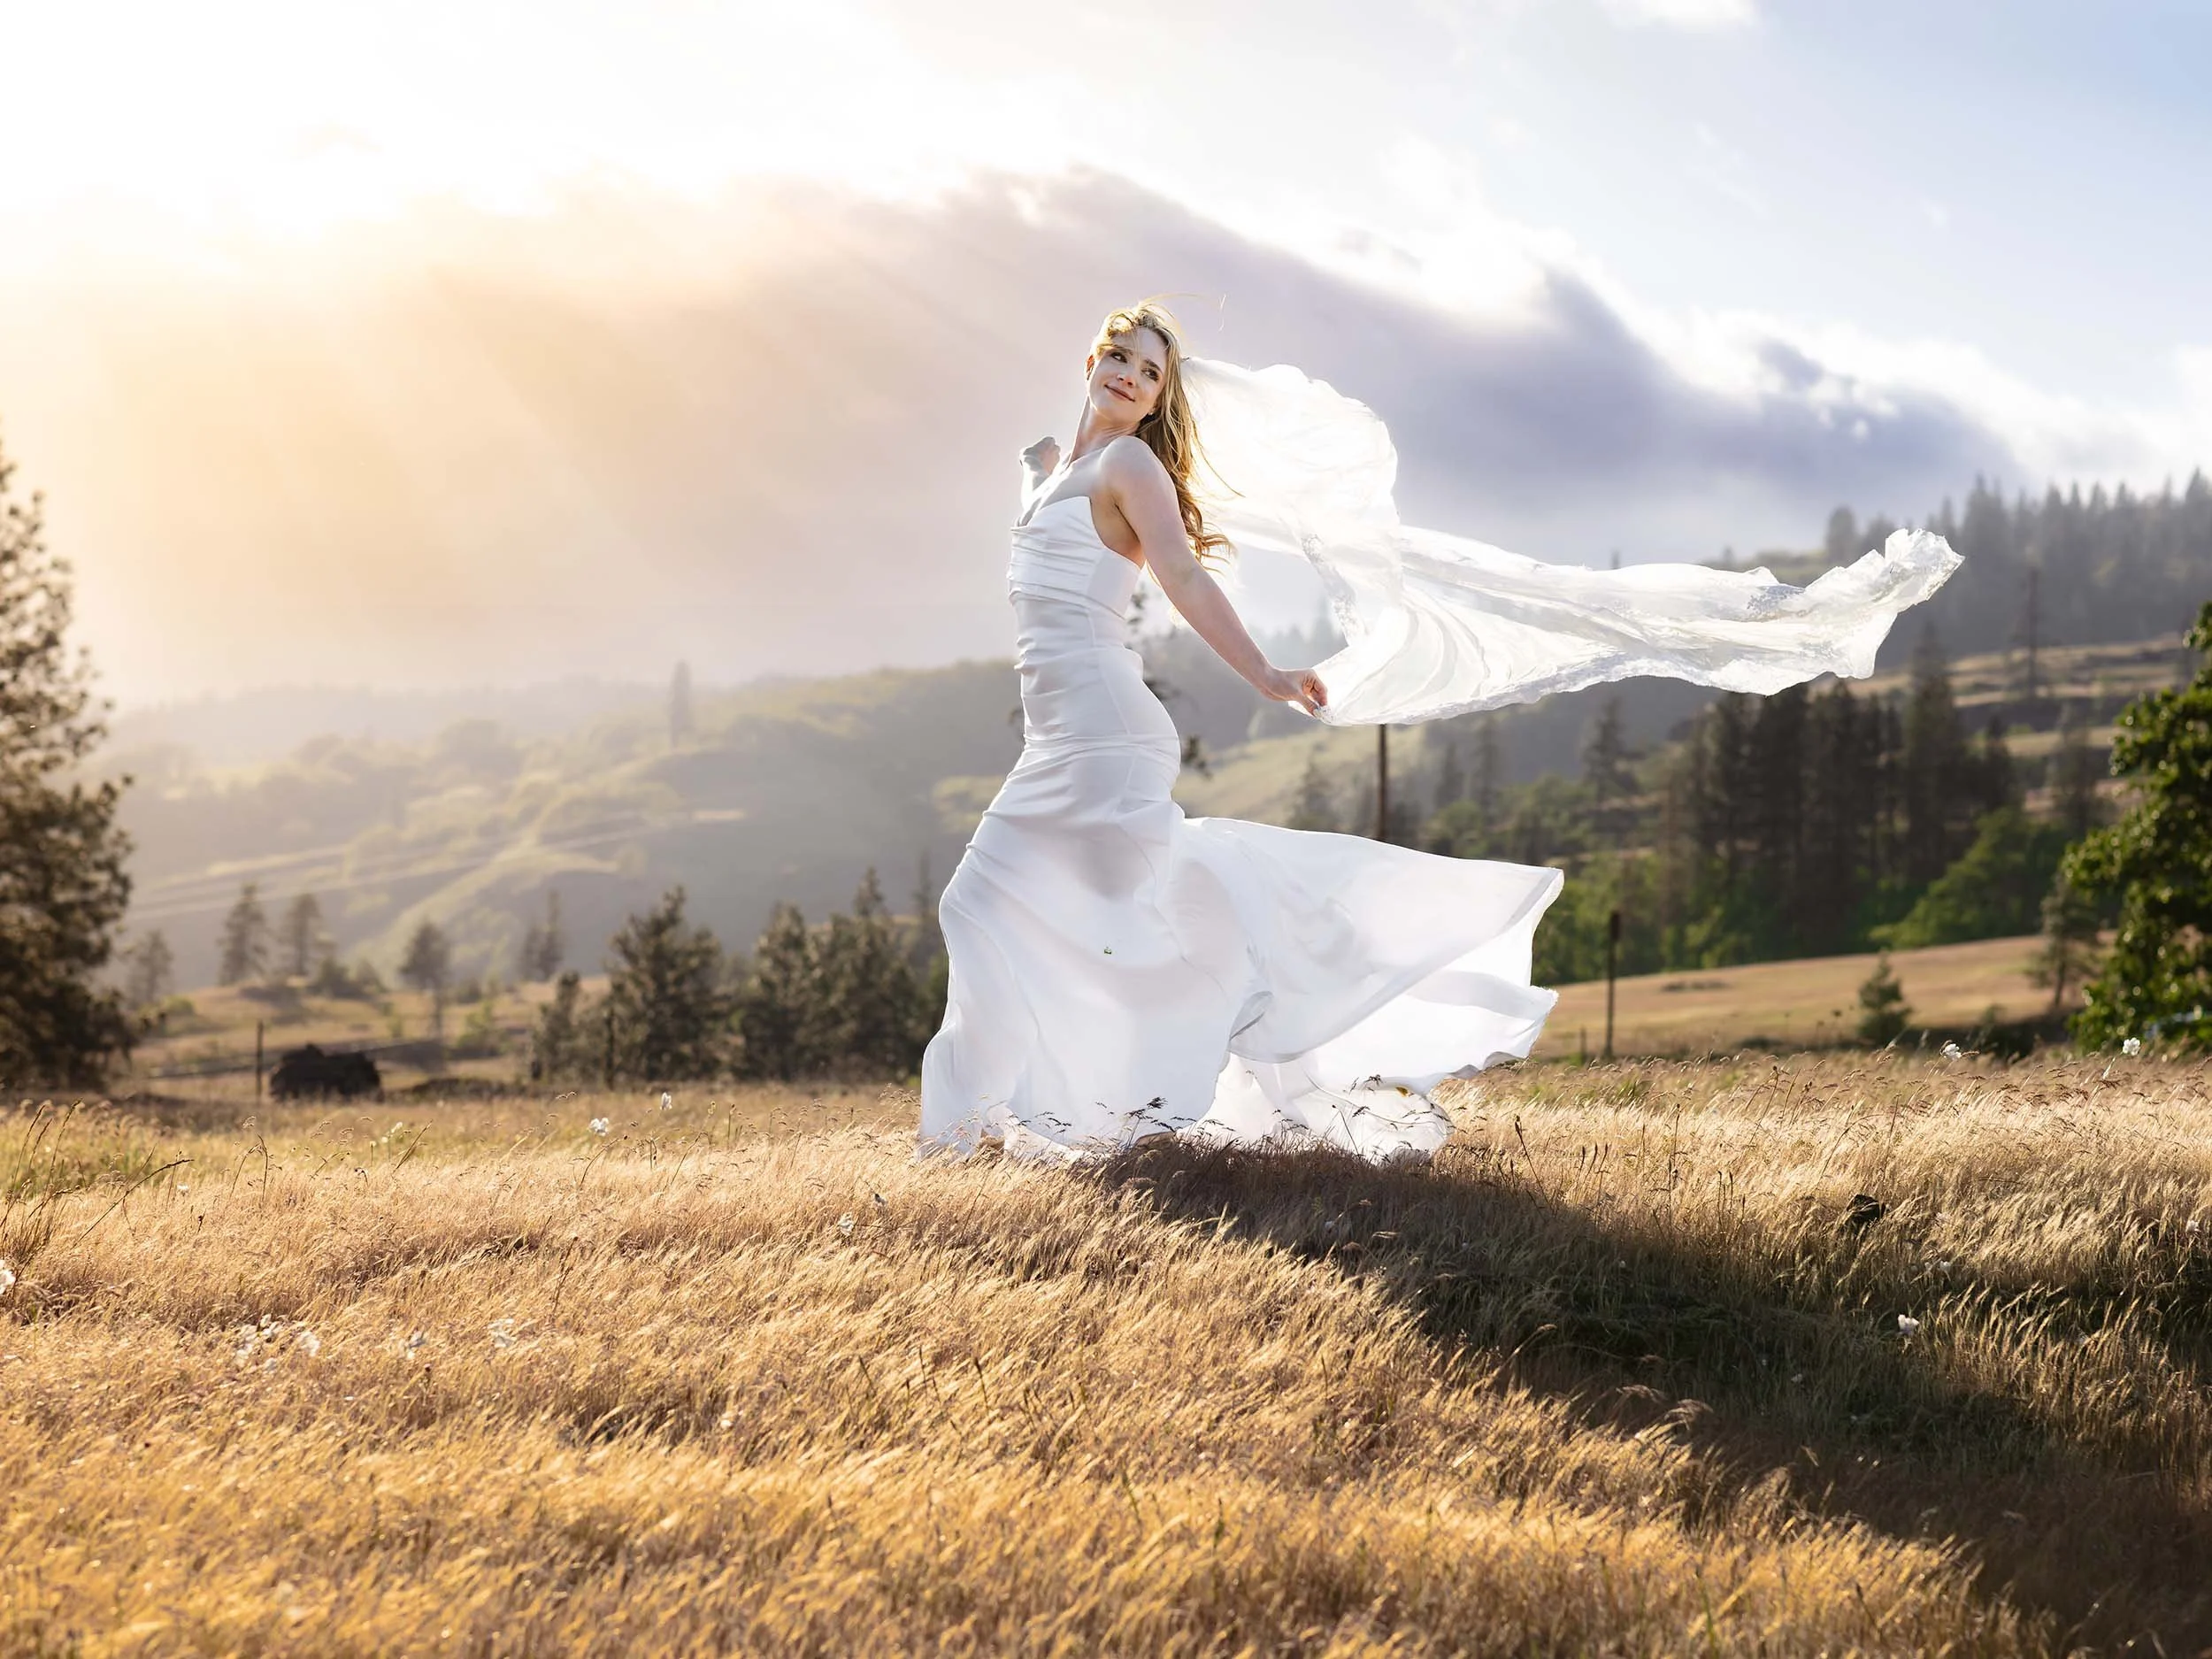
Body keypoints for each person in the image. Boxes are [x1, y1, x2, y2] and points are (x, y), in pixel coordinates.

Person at [917, 301, 1957, 1159]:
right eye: (1119, 357)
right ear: (1090, 358)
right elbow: (1042, 511)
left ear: (1161, 397)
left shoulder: (1128, 473)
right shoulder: (1059, 468)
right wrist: (1039, 462)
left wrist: (1270, 673)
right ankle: (1072, 1117)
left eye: (1149, 370)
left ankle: (995, 1132)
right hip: (1055, 736)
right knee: (1085, 920)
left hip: (1102, 731)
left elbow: (1182, 576)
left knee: (993, 905)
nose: (1131, 377)